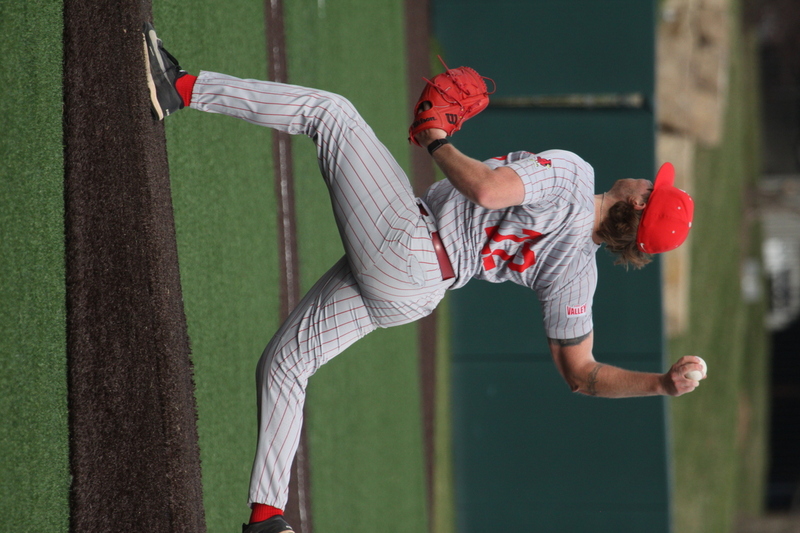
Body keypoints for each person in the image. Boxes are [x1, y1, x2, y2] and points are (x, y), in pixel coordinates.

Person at [144, 23, 703, 533]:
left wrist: (437, 138)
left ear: (639, 199)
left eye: (654, 186)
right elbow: (581, 375)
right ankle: (267, 518)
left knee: (331, 113)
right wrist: (658, 383)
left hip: (408, 244)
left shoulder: (577, 178)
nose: (649, 180)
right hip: (417, 293)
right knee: (287, 363)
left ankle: (179, 87)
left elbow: (487, 189)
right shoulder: (581, 274)